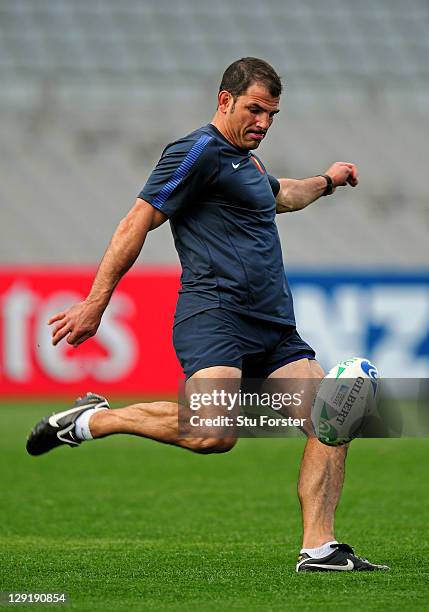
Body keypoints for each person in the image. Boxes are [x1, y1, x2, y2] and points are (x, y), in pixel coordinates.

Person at [26, 57, 388, 572]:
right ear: (225, 101)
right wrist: (95, 301)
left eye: (272, 114)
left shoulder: (249, 164)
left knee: (331, 418)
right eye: (255, 110)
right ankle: (94, 419)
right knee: (214, 433)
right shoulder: (196, 151)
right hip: (214, 312)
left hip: (274, 327)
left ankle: (320, 548)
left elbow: (282, 196)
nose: (263, 122)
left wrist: (328, 180)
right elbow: (137, 220)